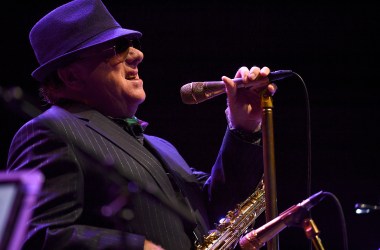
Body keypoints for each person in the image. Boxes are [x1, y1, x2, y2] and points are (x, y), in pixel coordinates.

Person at [6, 0, 276, 249]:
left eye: (132, 43)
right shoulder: (50, 131)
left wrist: (242, 126)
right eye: (118, 48)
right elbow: (37, 234)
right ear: (71, 76)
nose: (137, 54)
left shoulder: (162, 147)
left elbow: (220, 209)